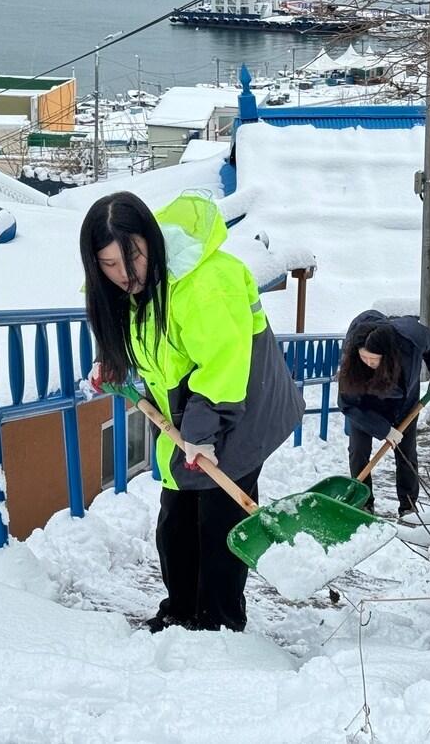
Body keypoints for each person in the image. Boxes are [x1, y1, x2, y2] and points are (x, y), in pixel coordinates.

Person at [79, 190, 303, 633]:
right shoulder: (128, 287)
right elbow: (148, 346)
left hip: (240, 407)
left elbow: (223, 365)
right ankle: (181, 612)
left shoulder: (206, 282)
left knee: (218, 524)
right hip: (190, 416)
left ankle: (219, 623)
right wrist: (117, 368)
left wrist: (203, 432)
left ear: (152, 242)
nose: (125, 274)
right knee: (175, 522)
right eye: (109, 265)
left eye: (134, 258)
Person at [336, 310, 430, 517]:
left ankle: (408, 507)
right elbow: (346, 403)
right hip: (364, 407)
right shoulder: (353, 363)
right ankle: (364, 503)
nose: (368, 363)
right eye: (364, 357)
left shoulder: (411, 338)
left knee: (406, 453)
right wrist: (383, 430)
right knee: (358, 450)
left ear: (388, 355)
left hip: (404, 404)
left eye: (374, 359)